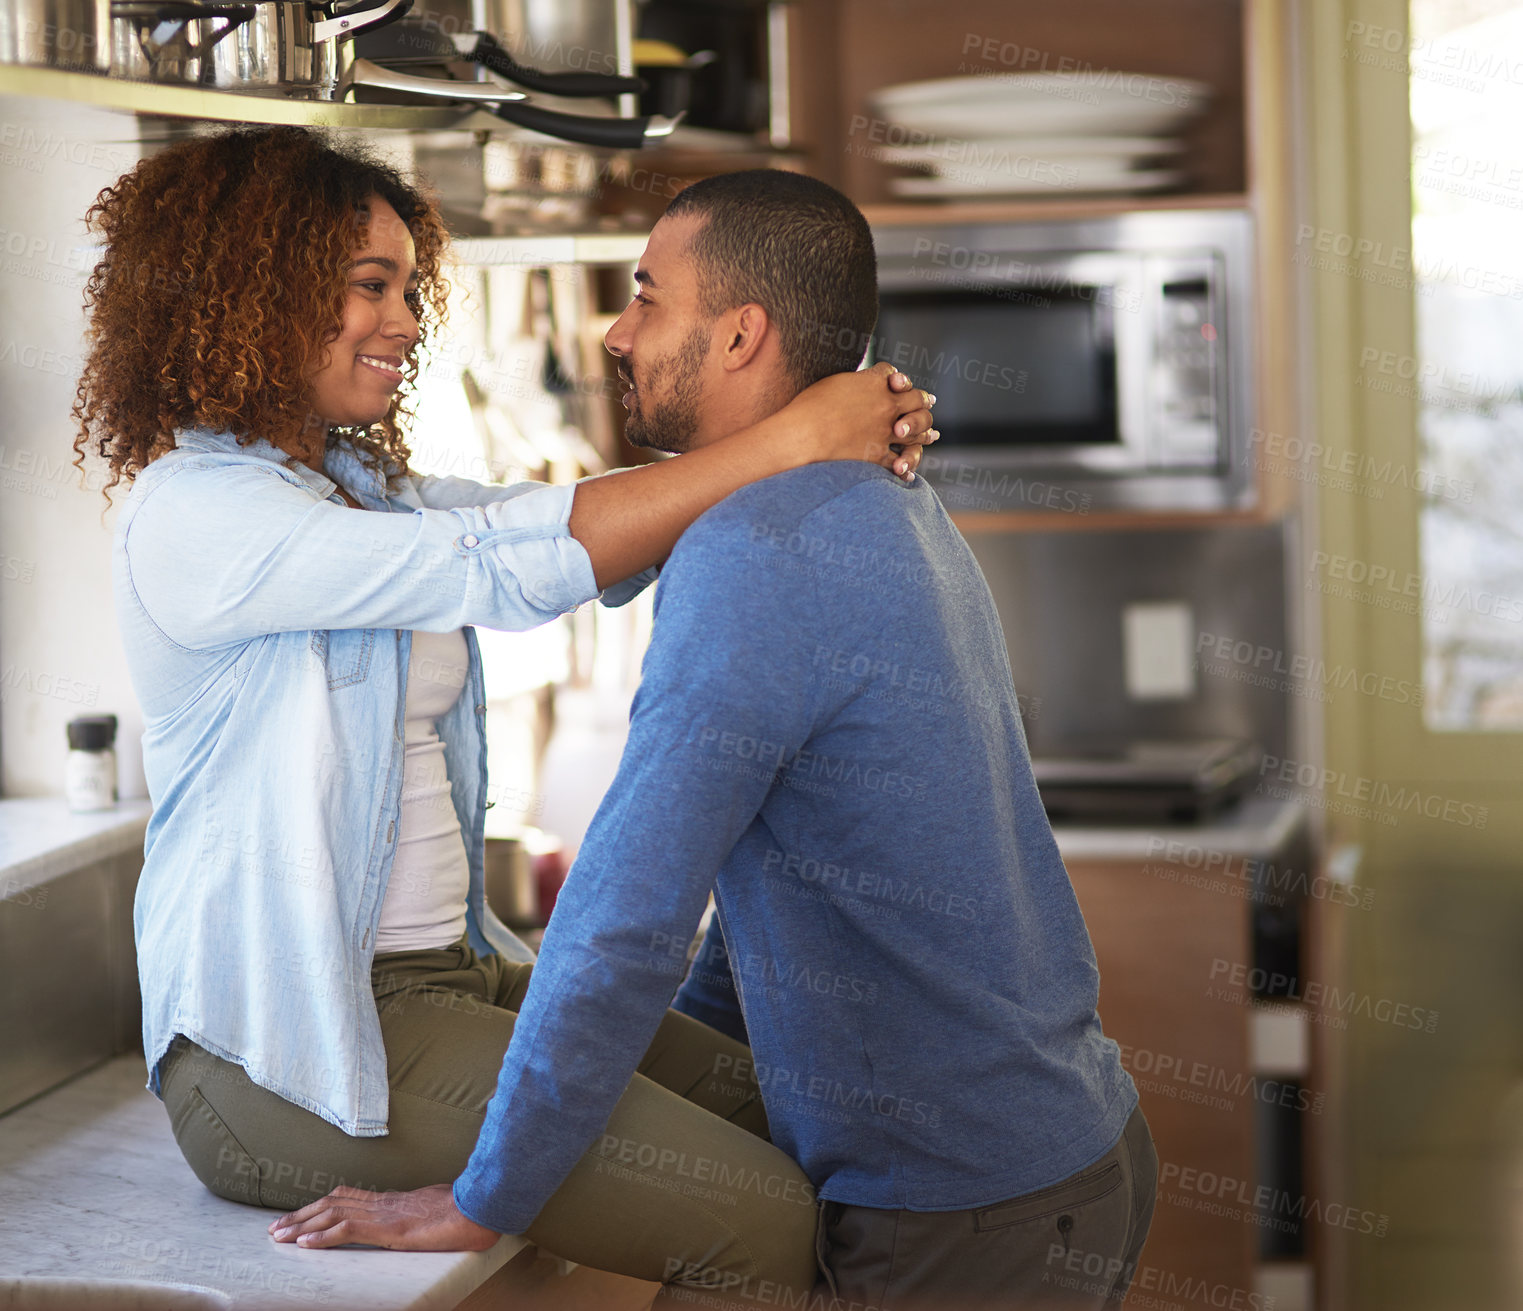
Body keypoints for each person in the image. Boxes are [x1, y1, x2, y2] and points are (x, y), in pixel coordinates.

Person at [269, 170, 1157, 1309]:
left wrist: (486, 1198)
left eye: (647, 297)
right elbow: (781, 867)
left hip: (953, 1211)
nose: (616, 329)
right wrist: (681, 1079)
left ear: (739, 335)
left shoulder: (756, 554)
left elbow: (623, 916)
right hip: (1054, 1153)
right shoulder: (876, 501)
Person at [75, 127, 938, 1296]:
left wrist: (821, 437)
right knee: (765, 1219)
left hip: (455, 980)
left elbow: (582, 536)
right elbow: (501, 564)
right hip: (287, 1059)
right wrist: (796, 433)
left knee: (778, 1102)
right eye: (367, 288)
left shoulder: (361, 490)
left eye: (403, 287)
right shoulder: (192, 516)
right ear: (254, 293)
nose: (404, 320)